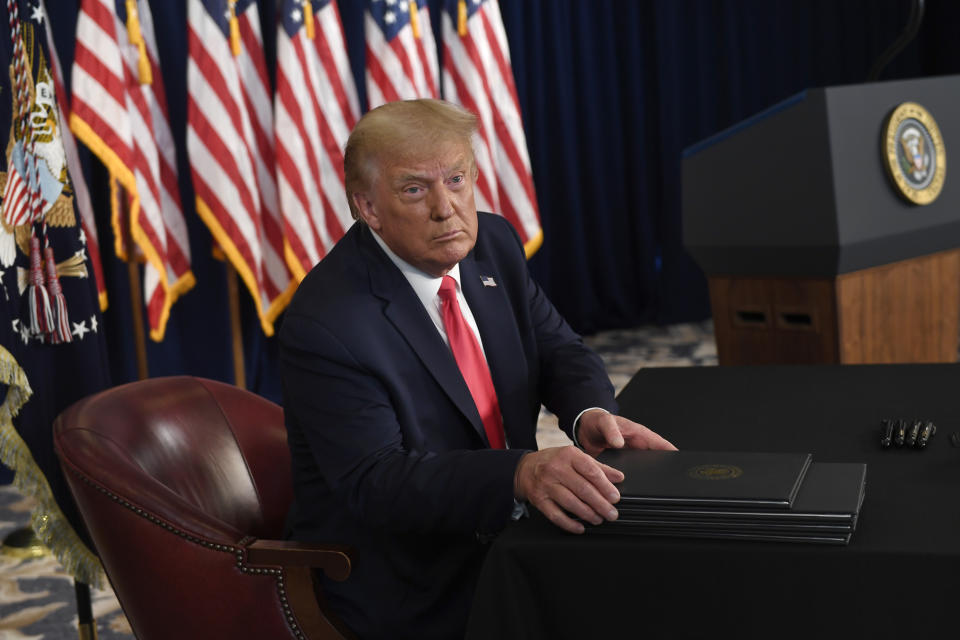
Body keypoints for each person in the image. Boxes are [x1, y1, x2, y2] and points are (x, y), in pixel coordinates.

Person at [279, 99, 676, 639]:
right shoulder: (327, 323)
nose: (447, 209)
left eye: (458, 179)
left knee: (669, 577)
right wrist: (519, 472)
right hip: (415, 579)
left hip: (510, 532)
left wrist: (588, 412)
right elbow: (377, 482)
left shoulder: (492, 244)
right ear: (368, 207)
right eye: (416, 189)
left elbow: (559, 349)